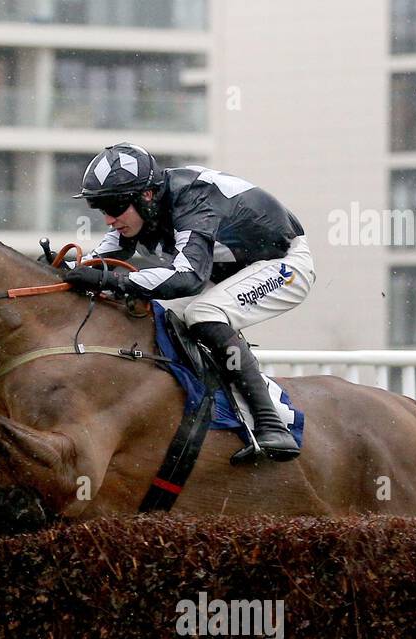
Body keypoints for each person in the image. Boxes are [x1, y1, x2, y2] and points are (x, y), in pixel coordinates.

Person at [65, 142, 315, 461]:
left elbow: (188, 279)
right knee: (160, 315)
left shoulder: (193, 200)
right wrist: (56, 270)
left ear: (146, 195)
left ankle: (273, 425)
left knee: (204, 312)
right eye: (102, 209)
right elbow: (95, 262)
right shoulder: (142, 207)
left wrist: (111, 281)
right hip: (228, 271)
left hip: (286, 264)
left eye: (114, 207)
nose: (109, 219)